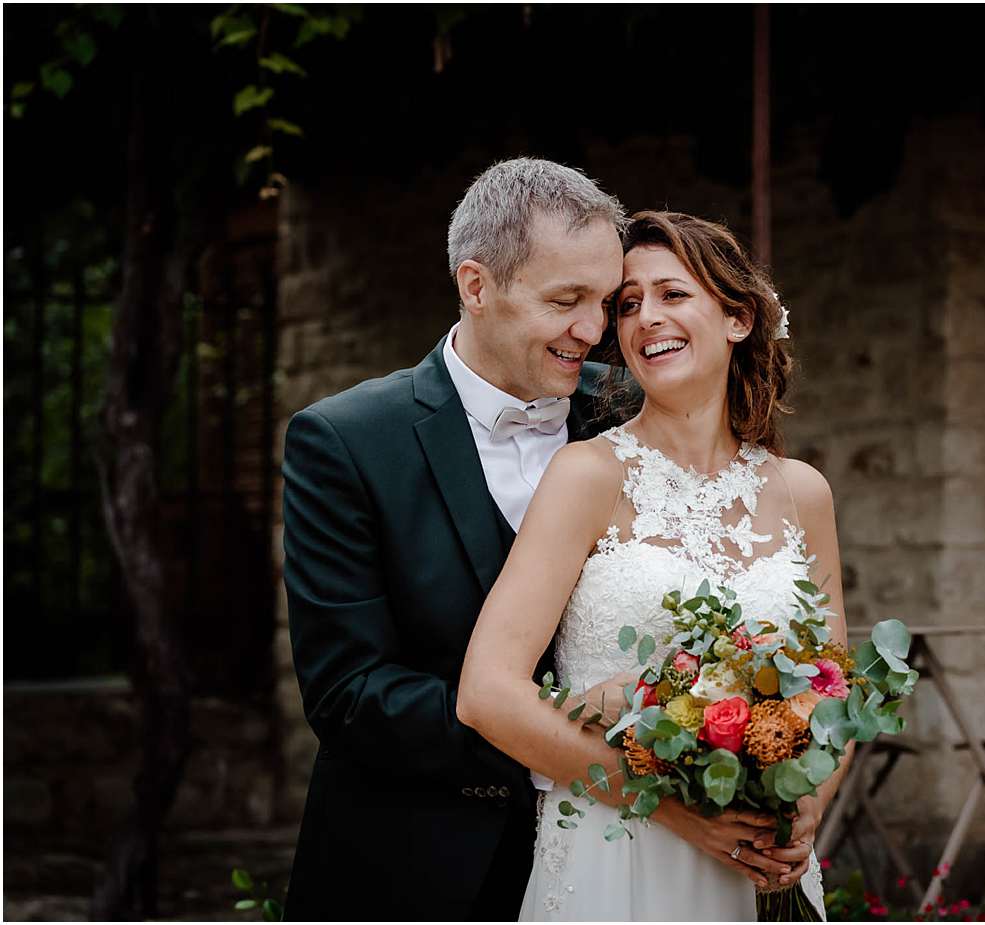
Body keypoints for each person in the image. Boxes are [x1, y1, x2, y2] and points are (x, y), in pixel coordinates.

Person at [282, 157, 651, 917]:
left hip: (617, 862)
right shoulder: (345, 441)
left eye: (606, 301)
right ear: (476, 286)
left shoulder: (633, 419)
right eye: (566, 300)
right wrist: (561, 739)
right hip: (414, 866)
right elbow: (349, 692)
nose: (594, 330)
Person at [457, 211, 844, 920]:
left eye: (671, 294)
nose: (643, 319)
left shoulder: (802, 492)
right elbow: (486, 692)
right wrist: (668, 805)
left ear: (738, 318)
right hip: (621, 853)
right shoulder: (587, 474)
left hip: (762, 861)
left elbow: (832, 686)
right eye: (628, 304)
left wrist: (807, 805)